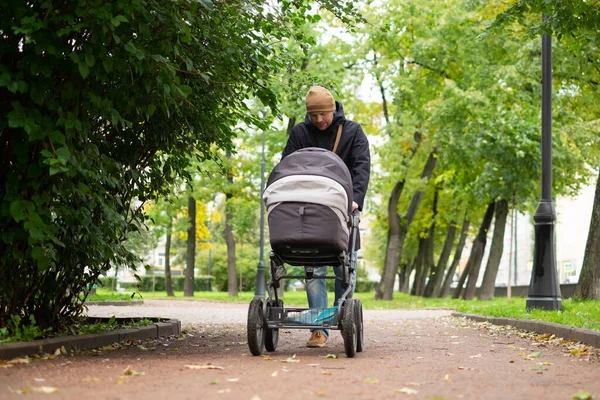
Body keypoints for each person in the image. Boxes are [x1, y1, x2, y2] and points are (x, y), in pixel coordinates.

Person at [281, 86, 371, 348]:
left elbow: (361, 167)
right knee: (314, 268)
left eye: (324, 114)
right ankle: (318, 328)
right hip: (309, 209)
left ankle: (344, 318)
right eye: (314, 115)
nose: (319, 120)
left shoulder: (353, 133)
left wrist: (355, 199)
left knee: (345, 270)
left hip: (342, 209)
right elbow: (287, 163)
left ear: (333, 108)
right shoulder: (300, 133)